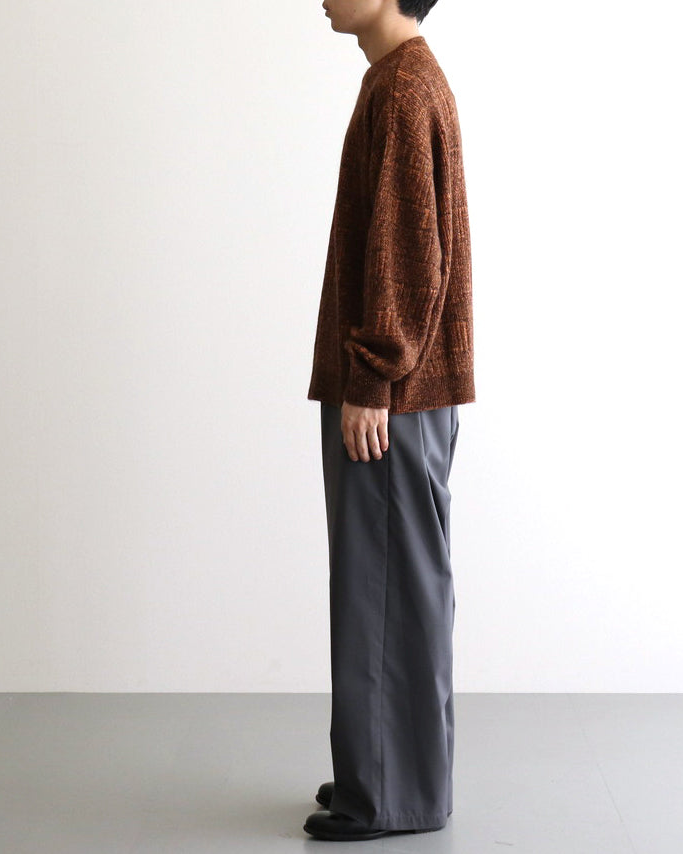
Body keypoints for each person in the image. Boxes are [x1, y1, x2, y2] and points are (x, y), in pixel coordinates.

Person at [304, 0, 475, 841]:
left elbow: (411, 251)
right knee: (392, 585)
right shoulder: (397, 78)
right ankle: (382, 773)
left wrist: (371, 377)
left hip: (394, 395)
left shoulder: (404, 86)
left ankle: (390, 795)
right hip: (404, 391)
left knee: (384, 589)